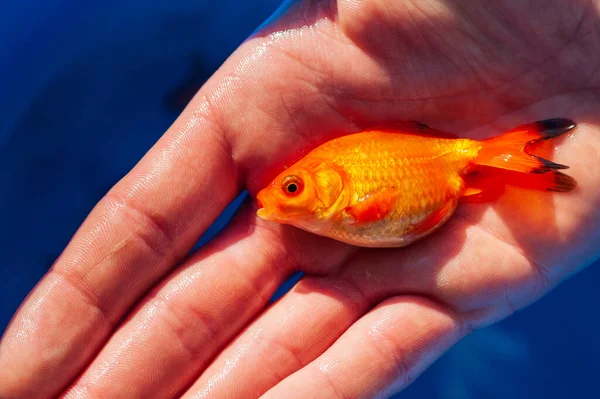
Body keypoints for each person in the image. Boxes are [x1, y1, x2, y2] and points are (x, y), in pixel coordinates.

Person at [1, 0, 599, 397]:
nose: (280, 198)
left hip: (448, 165)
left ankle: (521, 157)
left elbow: (378, 213)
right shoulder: (336, 202)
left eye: (293, 190)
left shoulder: (357, 200)